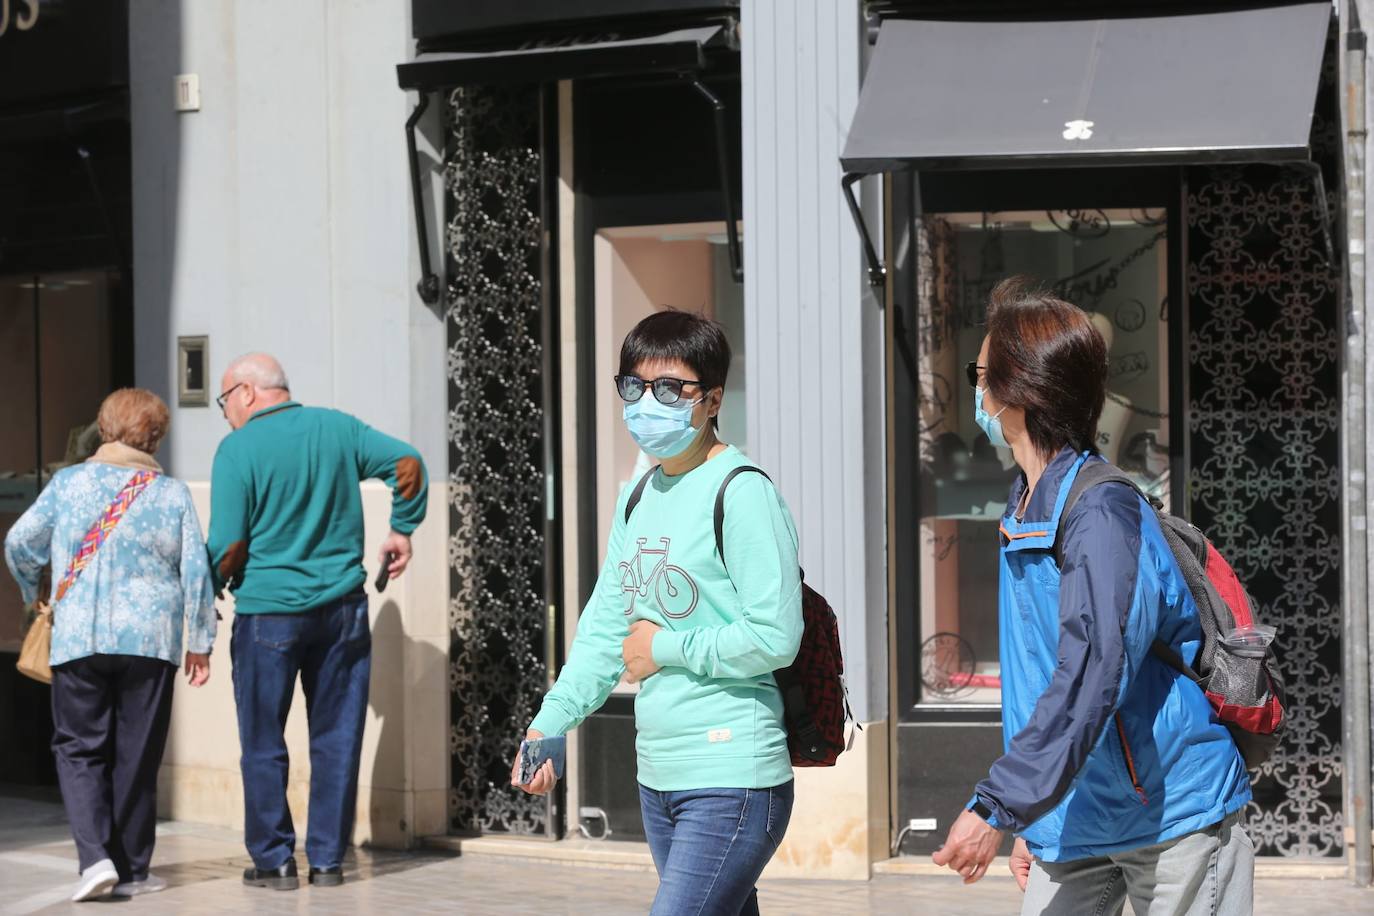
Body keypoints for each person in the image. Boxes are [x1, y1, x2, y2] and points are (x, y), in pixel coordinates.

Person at [933, 278, 1254, 915]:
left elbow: (1090, 672)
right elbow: (1036, 677)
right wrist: (1036, 819)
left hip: (1173, 814)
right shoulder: (1027, 503)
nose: (976, 390)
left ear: (1018, 390)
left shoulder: (1101, 512)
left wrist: (1004, 803)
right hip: (1077, 816)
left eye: (979, 372)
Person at [513, 310, 802, 915]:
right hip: (658, 773)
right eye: (634, 387)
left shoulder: (742, 491)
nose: (650, 403)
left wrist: (662, 649)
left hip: (732, 771)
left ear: (713, 397)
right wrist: (552, 721)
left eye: (671, 389)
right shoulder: (639, 494)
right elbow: (604, 624)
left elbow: (776, 636)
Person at [207, 353, 427, 891]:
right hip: (343, 611)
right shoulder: (338, 428)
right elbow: (408, 463)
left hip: (267, 614)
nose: (225, 413)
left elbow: (230, 544)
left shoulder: (237, 449)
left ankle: (275, 861)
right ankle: (327, 861)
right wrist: (402, 529)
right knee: (337, 738)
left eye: (223, 402)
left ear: (246, 394)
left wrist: (209, 589)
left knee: (263, 741)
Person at [4, 388, 216, 902]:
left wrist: (36, 590)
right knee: (137, 754)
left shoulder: (68, 484)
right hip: (150, 641)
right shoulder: (172, 495)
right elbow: (196, 570)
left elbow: (18, 543)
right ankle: (132, 868)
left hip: (80, 635)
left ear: (103, 430)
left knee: (79, 749)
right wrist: (200, 640)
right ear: (156, 437)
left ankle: (95, 858)